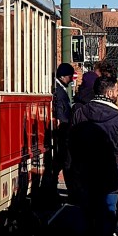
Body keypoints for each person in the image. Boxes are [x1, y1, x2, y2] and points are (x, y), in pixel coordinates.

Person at [69, 74, 118, 236]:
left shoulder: (79, 113)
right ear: (111, 92)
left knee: (86, 211)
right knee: (109, 211)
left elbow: (72, 142)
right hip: (110, 174)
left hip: (84, 173)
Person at [51, 62, 74, 198]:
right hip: (63, 131)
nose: (71, 80)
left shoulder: (60, 88)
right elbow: (60, 110)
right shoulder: (59, 91)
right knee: (63, 161)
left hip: (63, 130)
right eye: (70, 76)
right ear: (63, 76)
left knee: (61, 161)